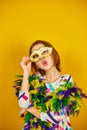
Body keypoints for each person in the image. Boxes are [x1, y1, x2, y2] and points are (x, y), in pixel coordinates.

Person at [13, 40, 87, 130]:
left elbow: (56, 117)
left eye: (44, 51)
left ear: (53, 54)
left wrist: (29, 109)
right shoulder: (36, 79)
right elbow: (23, 102)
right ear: (35, 64)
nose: (41, 57)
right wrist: (26, 73)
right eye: (36, 56)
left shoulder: (66, 80)